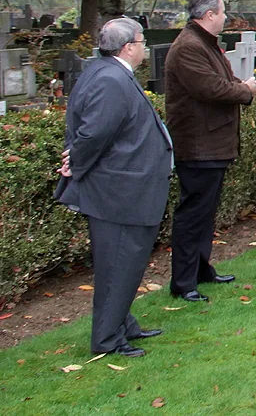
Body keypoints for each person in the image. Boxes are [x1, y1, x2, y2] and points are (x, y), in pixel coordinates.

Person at [56, 18, 172, 358]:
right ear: (127, 47)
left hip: (124, 188)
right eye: (141, 40)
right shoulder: (110, 78)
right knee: (118, 265)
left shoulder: (106, 70)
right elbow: (93, 133)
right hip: (120, 192)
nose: (144, 47)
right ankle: (107, 339)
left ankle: (123, 323)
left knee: (124, 264)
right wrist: (75, 163)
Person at [165, 0, 256, 303]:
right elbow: (209, 88)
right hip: (198, 145)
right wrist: (244, 90)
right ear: (209, 15)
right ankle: (183, 281)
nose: (224, 17)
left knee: (205, 213)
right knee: (193, 213)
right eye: (222, 12)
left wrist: (241, 87)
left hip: (212, 143)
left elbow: (222, 80)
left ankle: (200, 269)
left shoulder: (205, 44)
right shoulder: (189, 47)